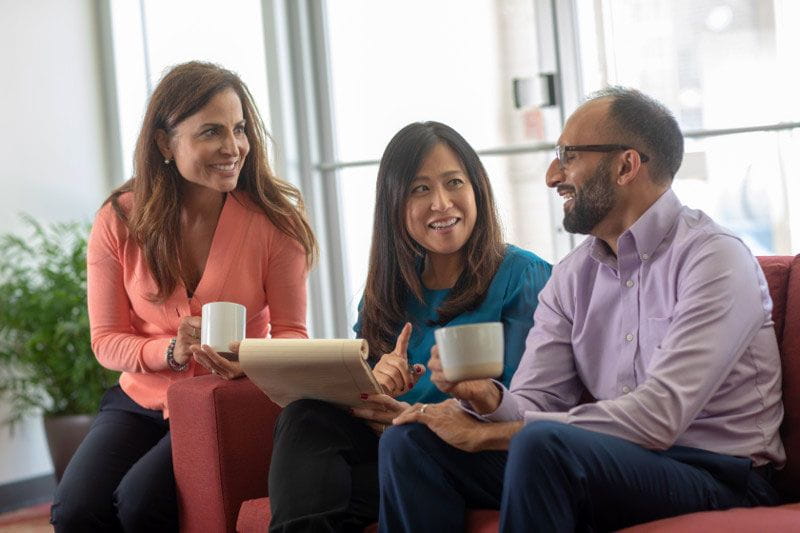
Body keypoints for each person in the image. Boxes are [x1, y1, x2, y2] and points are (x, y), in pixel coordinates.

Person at [379, 87, 785, 532]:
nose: (553, 175)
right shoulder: (572, 275)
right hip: (613, 461)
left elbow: (660, 415)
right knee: (410, 441)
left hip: (718, 475)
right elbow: (537, 401)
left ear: (626, 165)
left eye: (568, 156)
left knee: (541, 444)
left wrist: (492, 433)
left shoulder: (713, 258)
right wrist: (489, 398)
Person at [50, 61, 317, 532]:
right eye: (211, 132)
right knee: (75, 509)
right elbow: (106, 340)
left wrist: (251, 358)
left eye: (239, 129)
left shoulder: (276, 224)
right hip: (141, 401)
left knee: (140, 502)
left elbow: (292, 334)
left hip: (227, 400)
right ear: (164, 144)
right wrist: (169, 351)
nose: (233, 147)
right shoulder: (119, 219)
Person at [266, 121, 552, 532]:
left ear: (477, 190)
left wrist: (420, 414)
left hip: (481, 453)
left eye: (454, 182)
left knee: (377, 461)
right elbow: (370, 405)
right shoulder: (388, 292)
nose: (441, 203)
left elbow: (524, 404)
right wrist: (374, 389)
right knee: (304, 417)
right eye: (420, 189)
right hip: (402, 447)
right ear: (395, 204)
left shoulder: (522, 276)